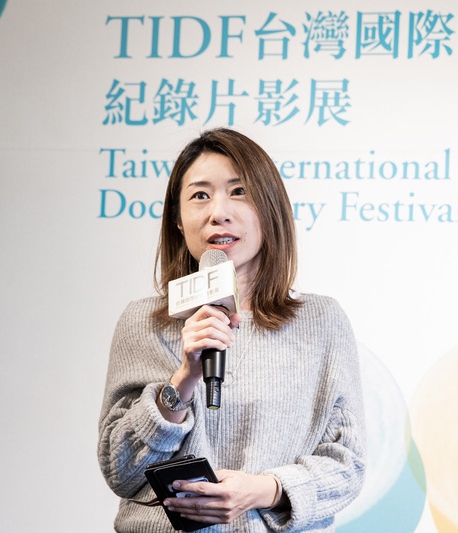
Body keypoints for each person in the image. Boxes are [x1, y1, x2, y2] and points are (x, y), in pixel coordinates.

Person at [98, 128, 365, 532]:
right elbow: (120, 470)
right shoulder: (143, 322)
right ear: (177, 219)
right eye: (200, 195)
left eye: (238, 191)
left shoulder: (320, 320)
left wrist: (264, 490)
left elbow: (347, 463)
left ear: (269, 208)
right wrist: (184, 379)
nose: (218, 212)